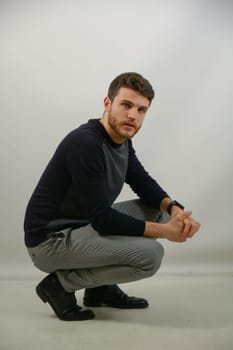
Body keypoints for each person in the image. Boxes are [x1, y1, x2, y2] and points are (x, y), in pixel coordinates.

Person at [24, 72, 200, 321]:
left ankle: (100, 290)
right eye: (126, 105)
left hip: (82, 227)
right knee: (150, 256)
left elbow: (142, 182)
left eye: (141, 110)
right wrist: (166, 232)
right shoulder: (86, 143)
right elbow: (103, 220)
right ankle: (60, 285)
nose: (133, 116)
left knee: (159, 210)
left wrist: (175, 209)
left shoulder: (122, 139)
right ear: (108, 103)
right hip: (50, 242)